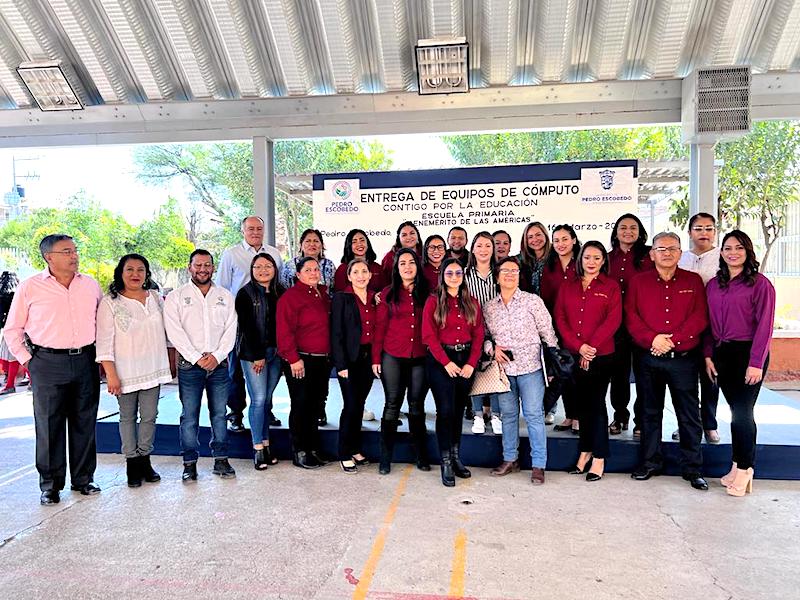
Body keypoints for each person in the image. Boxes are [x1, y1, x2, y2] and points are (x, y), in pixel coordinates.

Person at [3, 234, 102, 505]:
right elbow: (12, 329)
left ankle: (84, 479)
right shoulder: (30, 287)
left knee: (84, 422)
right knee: (49, 424)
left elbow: (103, 323)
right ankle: (51, 485)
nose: (74, 256)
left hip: (85, 360)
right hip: (47, 362)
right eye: (67, 251)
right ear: (49, 257)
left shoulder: (90, 285)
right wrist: (28, 361)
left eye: (75, 250)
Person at [627, 232, 709, 491]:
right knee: (650, 413)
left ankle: (692, 468)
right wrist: (653, 339)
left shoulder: (693, 281)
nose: (667, 253)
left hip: (683, 360)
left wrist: (673, 340)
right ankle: (650, 463)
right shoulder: (639, 282)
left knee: (688, 415)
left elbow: (700, 317)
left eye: (672, 248)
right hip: (649, 358)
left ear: (680, 252)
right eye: (661, 249)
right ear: (652, 254)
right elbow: (631, 316)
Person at [705, 231, 775, 497]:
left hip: (749, 354)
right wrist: (709, 354)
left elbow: (765, 327)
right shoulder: (714, 284)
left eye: (738, 248)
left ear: (748, 252)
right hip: (723, 353)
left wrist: (755, 363)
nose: (732, 252)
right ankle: (736, 465)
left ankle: (746, 468)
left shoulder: (760, 284)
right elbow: (709, 324)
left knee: (743, 413)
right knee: (735, 412)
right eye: (727, 248)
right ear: (721, 252)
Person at [96, 254, 173, 488]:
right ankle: (132, 462)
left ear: (146, 273)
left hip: (154, 368)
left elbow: (170, 332)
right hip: (124, 370)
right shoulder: (110, 302)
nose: (135, 274)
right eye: (129, 269)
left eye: (141, 269)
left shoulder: (156, 299)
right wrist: (111, 374)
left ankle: (145, 459)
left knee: (149, 416)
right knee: (127, 417)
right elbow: (104, 341)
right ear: (120, 272)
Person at [483, 256, 559, 485]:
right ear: (497, 277)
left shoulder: (532, 301)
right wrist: (491, 350)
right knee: (508, 416)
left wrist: (554, 360)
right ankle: (510, 459)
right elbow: (484, 338)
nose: (509, 274)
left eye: (514, 271)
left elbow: (548, 333)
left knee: (535, 416)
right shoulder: (489, 308)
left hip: (531, 368)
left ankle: (538, 465)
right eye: (505, 271)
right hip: (503, 370)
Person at [164, 249, 238, 482]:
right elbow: (174, 332)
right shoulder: (177, 297)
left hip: (219, 364)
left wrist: (216, 356)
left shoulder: (225, 296)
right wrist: (197, 357)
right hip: (189, 365)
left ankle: (221, 459)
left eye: (207, 265)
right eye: (198, 265)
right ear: (189, 267)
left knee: (219, 414)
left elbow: (231, 329)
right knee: (189, 416)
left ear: (213, 268)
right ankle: (189, 463)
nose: (203, 269)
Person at [554, 242, 622, 482]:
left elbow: (613, 320)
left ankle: (600, 456)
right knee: (581, 406)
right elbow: (560, 318)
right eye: (587, 257)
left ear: (603, 260)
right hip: (574, 354)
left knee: (596, 405)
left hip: (601, 355)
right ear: (580, 259)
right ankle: (585, 450)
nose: (591, 262)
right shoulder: (568, 286)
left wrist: (590, 348)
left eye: (597, 258)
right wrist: (578, 347)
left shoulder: (611, 286)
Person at [217, 216, 283, 434]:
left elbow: (277, 285)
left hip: (269, 325)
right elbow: (223, 288)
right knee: (236, 372)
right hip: (241, 322)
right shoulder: (231, 254)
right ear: (243, 230)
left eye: (259, 229)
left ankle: (266, 411)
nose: (255, 232)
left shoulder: (273, 253)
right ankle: (236, 413)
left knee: (266, 385)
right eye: (251, 229)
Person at [423, 258, 484, 487]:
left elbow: (478, 334)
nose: (454, 277)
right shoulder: (433, 301)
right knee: (445, 410)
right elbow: (428, 336)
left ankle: (457, 457)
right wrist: (446, 362)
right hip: (441, 361)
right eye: (450, 273)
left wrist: (471, 363)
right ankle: (445, 460)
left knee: (458, 411)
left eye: (458, 273)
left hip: (465, 360)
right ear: (443, 276)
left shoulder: (472, 302)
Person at [373, 248, 430, 475]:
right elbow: (380, 329)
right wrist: (376, 358)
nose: (407, 267)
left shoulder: (429, 293)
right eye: (402, 263)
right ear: (397, 268)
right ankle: (385, 458)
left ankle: (421, 455)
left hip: (420, 357)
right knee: (392, 405)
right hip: (393, 356)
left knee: (417, 406)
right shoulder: (387, 293)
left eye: (411, 263)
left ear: (418, 266)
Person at [276, 257, 332, 469]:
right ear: (298, 274)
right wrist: (293, 359)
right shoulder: (291, 297)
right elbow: (284, 331)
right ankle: (300, 451)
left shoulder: (323, 295)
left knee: (315, 406)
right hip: (300, 360)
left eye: (316, 269)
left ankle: (313, 449)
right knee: (301, 406)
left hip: (321, 360)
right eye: (307, 270)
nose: (313, 273)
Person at [607, 213, 656, 438]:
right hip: (616, 327)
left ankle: (640, 420)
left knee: (645, 375)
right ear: (616, 232)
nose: (628, 231)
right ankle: (619, 415)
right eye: (623, 227)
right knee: (619, 375)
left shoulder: (649, 256)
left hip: (644, 326)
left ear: (640, 231)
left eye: (633, 227)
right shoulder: (607, 259)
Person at [235, 253, 284, 470]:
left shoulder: (281, 292)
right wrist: (258, 355)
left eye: (267, 266)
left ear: (274, 268)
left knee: (267, 400)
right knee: (258, 398)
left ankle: (266, 444)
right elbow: (247, 327)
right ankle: (257, 448)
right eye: (258, 267)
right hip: (253, 354)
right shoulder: (245, 294)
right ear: (252, 270)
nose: (263, 270)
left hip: (276, 354)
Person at [676, 212, 722, 444]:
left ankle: (709, 423)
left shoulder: (722, 257)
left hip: (712, 325)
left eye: (708, 228)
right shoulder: (681, 257)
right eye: (698, 228)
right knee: (685, 380)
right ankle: (684, 423)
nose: (703, 233)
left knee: (710, 376)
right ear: (690, 232)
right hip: (683, 325)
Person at [331, 259, 377, 473]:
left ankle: (355, 448)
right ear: (349, 276)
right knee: (350, 405)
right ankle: (343, 452)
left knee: (359, 404)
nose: (360, 275)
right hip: (349, 360)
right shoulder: (342, 298)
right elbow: (336, 332)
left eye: (364, 271)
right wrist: (340, 364)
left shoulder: (375, 298)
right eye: (355, 272)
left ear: (369, 275)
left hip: (368, 359)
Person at [540, 224, 580, 432]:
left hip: (580, 325)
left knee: (579, 373)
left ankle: (579, 416)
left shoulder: (582, 263)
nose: (560, 244)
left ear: (573, 240)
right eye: (556, 240)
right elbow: (546, 298)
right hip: (557, 327)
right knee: (564, 372)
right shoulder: (550, 266)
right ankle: (570, 415)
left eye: (565, 239)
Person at [464, 231, 501, 434]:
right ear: (473, 249)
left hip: (498, 331)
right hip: (473, 331)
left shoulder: (500, 272)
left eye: (488, 245)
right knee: (476, 373)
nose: (484, 250)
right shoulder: (464, 274)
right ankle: (478, 415)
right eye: (479, 245)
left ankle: (496, 415)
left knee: (495, 372)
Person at [280, 228, 336, 293]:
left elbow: (333, 289)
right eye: (308, 241)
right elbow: (283, 288)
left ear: (322, 245)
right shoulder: (289, 265)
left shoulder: (329, 265)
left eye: (316, 241)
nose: (312, 244)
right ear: (301, 245)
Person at [0, 271, 29, 395]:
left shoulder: (2, 295)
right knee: (25, 355)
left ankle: (10, 384)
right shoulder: (20, 292)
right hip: (26, 328)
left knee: (10, 356)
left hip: (10, 329)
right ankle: (31, 381)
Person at [333, 229, 384, 293]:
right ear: (349, 246)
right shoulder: (342, 269)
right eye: (354, 242)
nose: (359, 244)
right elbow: (339, 293)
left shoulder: (377, 267)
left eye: (362, 240)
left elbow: (385, 291)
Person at [517, 221, 551, 294]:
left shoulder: (556, 256)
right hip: (528, 304)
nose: (535, 239)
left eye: (538, 235)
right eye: (530, 237)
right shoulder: (519, 260)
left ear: (545, 235)